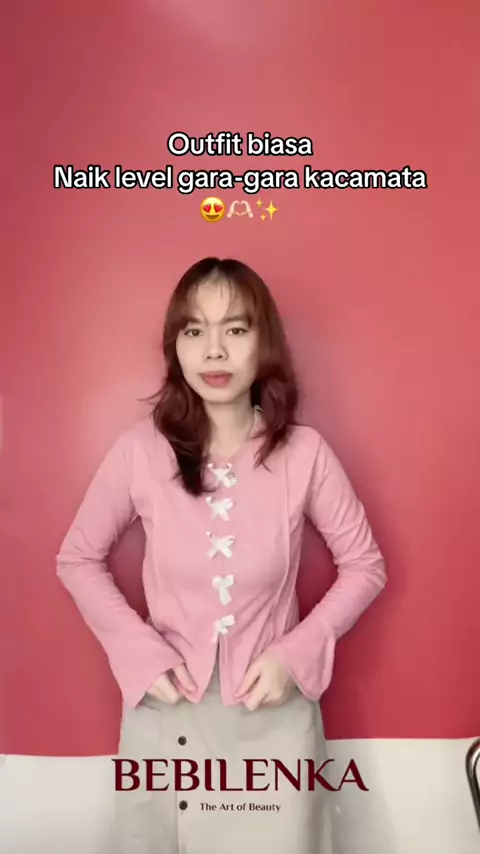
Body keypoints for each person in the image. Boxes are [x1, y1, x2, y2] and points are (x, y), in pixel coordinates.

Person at [56, 257, 387, 853]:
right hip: (166, 718)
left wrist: (296, 655)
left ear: (264, 342)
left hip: (273, 718)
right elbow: (77, 558)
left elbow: (365, 565)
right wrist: (138, 653)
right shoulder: (140, 452)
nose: (214, 350)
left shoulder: (304, 453)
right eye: (194, 330)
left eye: (235, 329)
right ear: (176, 345)